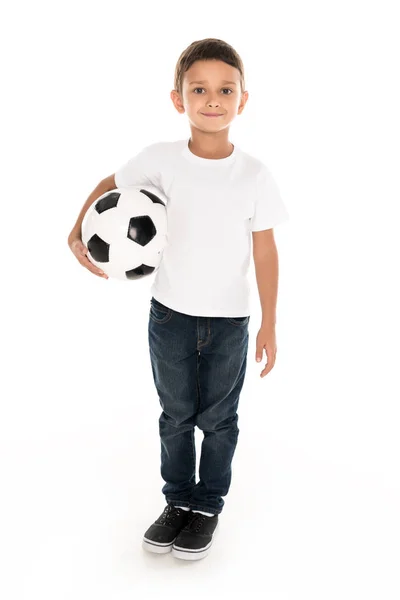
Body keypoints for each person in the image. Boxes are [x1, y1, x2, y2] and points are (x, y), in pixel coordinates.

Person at [68, 37, 289, 561]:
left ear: (243, 100)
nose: (213, 99)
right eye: (199, 89)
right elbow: (108, 184)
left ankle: (207, 505)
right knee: (175, 415)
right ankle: (176, 501)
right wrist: (75, 232)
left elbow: (265, 252)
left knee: (218, 419)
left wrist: (270, 323)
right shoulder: (161, 161)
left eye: (225, 89)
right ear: (178, 99)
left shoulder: (254, 174)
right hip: (169, 315)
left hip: (231, 321)